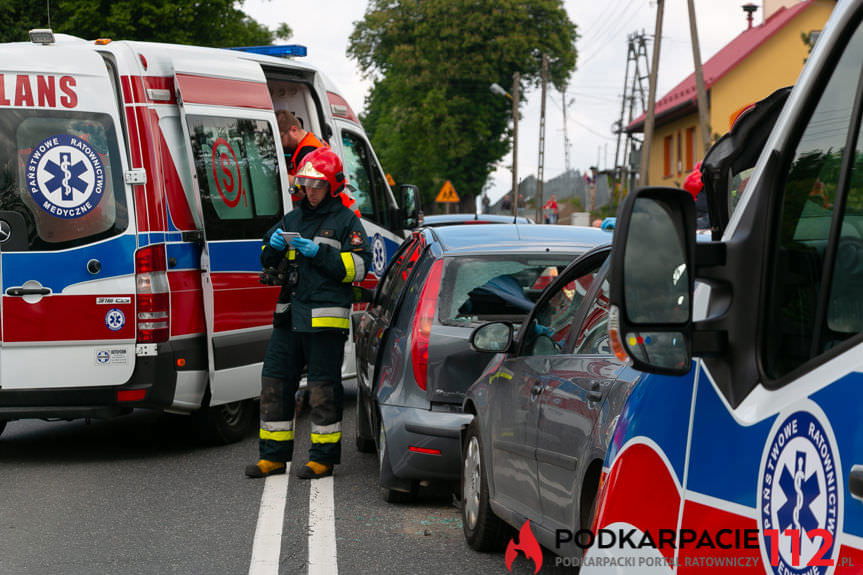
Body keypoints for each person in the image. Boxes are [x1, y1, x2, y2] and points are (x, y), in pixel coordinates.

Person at [246, 147, 371, 480]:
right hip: (289, 316)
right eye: (306, 184)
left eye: (317, 185)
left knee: (322, 390)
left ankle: (322, 459)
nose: (311, 191)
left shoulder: (347, 222)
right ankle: (272, 457)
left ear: (332, 186)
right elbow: (265, 258)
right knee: (274, 383)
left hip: (324, 321)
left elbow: (357, 269)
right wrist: (270, 248)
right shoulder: (293, 218)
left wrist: (317, 254)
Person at [276, 110, 361, 217]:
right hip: (338, 211)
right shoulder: (309, 142)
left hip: (338, 215)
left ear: (294, 130)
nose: (280, 143)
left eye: (281, 137)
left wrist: (283, 177)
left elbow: (308, 191)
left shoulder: (309, 152)